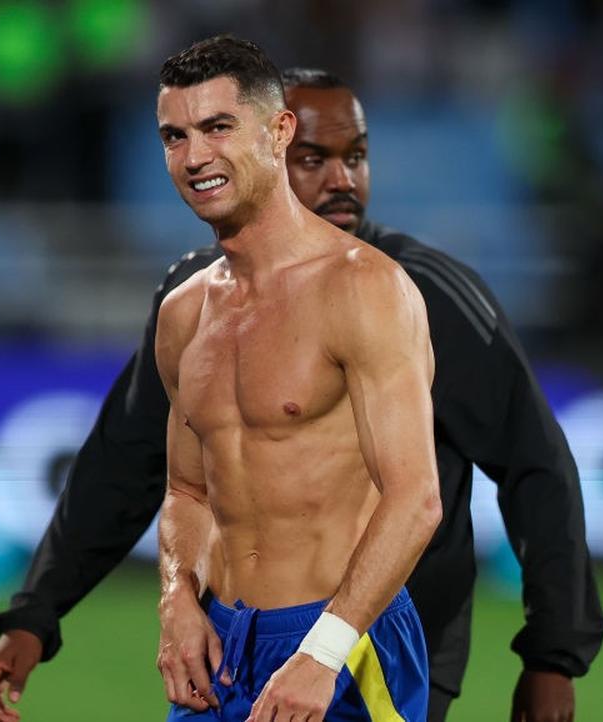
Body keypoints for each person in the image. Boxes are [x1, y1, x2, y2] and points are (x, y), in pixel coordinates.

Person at [0, 63, 603, 722]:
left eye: (355, 156)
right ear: (276, 146)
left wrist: (553, 654)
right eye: (315, 158)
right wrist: (58, 609)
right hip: (225, 642)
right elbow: (134, 469)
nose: (342, 179)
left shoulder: (411, 291)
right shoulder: (190, 305)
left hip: (363, 641)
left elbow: (529, 469)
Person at [151, 35, 440, 721]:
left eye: (218, 127)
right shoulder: (183, 314)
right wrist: (176, 597)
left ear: (279, 131)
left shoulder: (364, 289)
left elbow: (415, 499)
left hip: (342, 645)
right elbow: (187, 490)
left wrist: (324, 653)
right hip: (219, 648)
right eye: (175, 136)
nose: (194, 157)